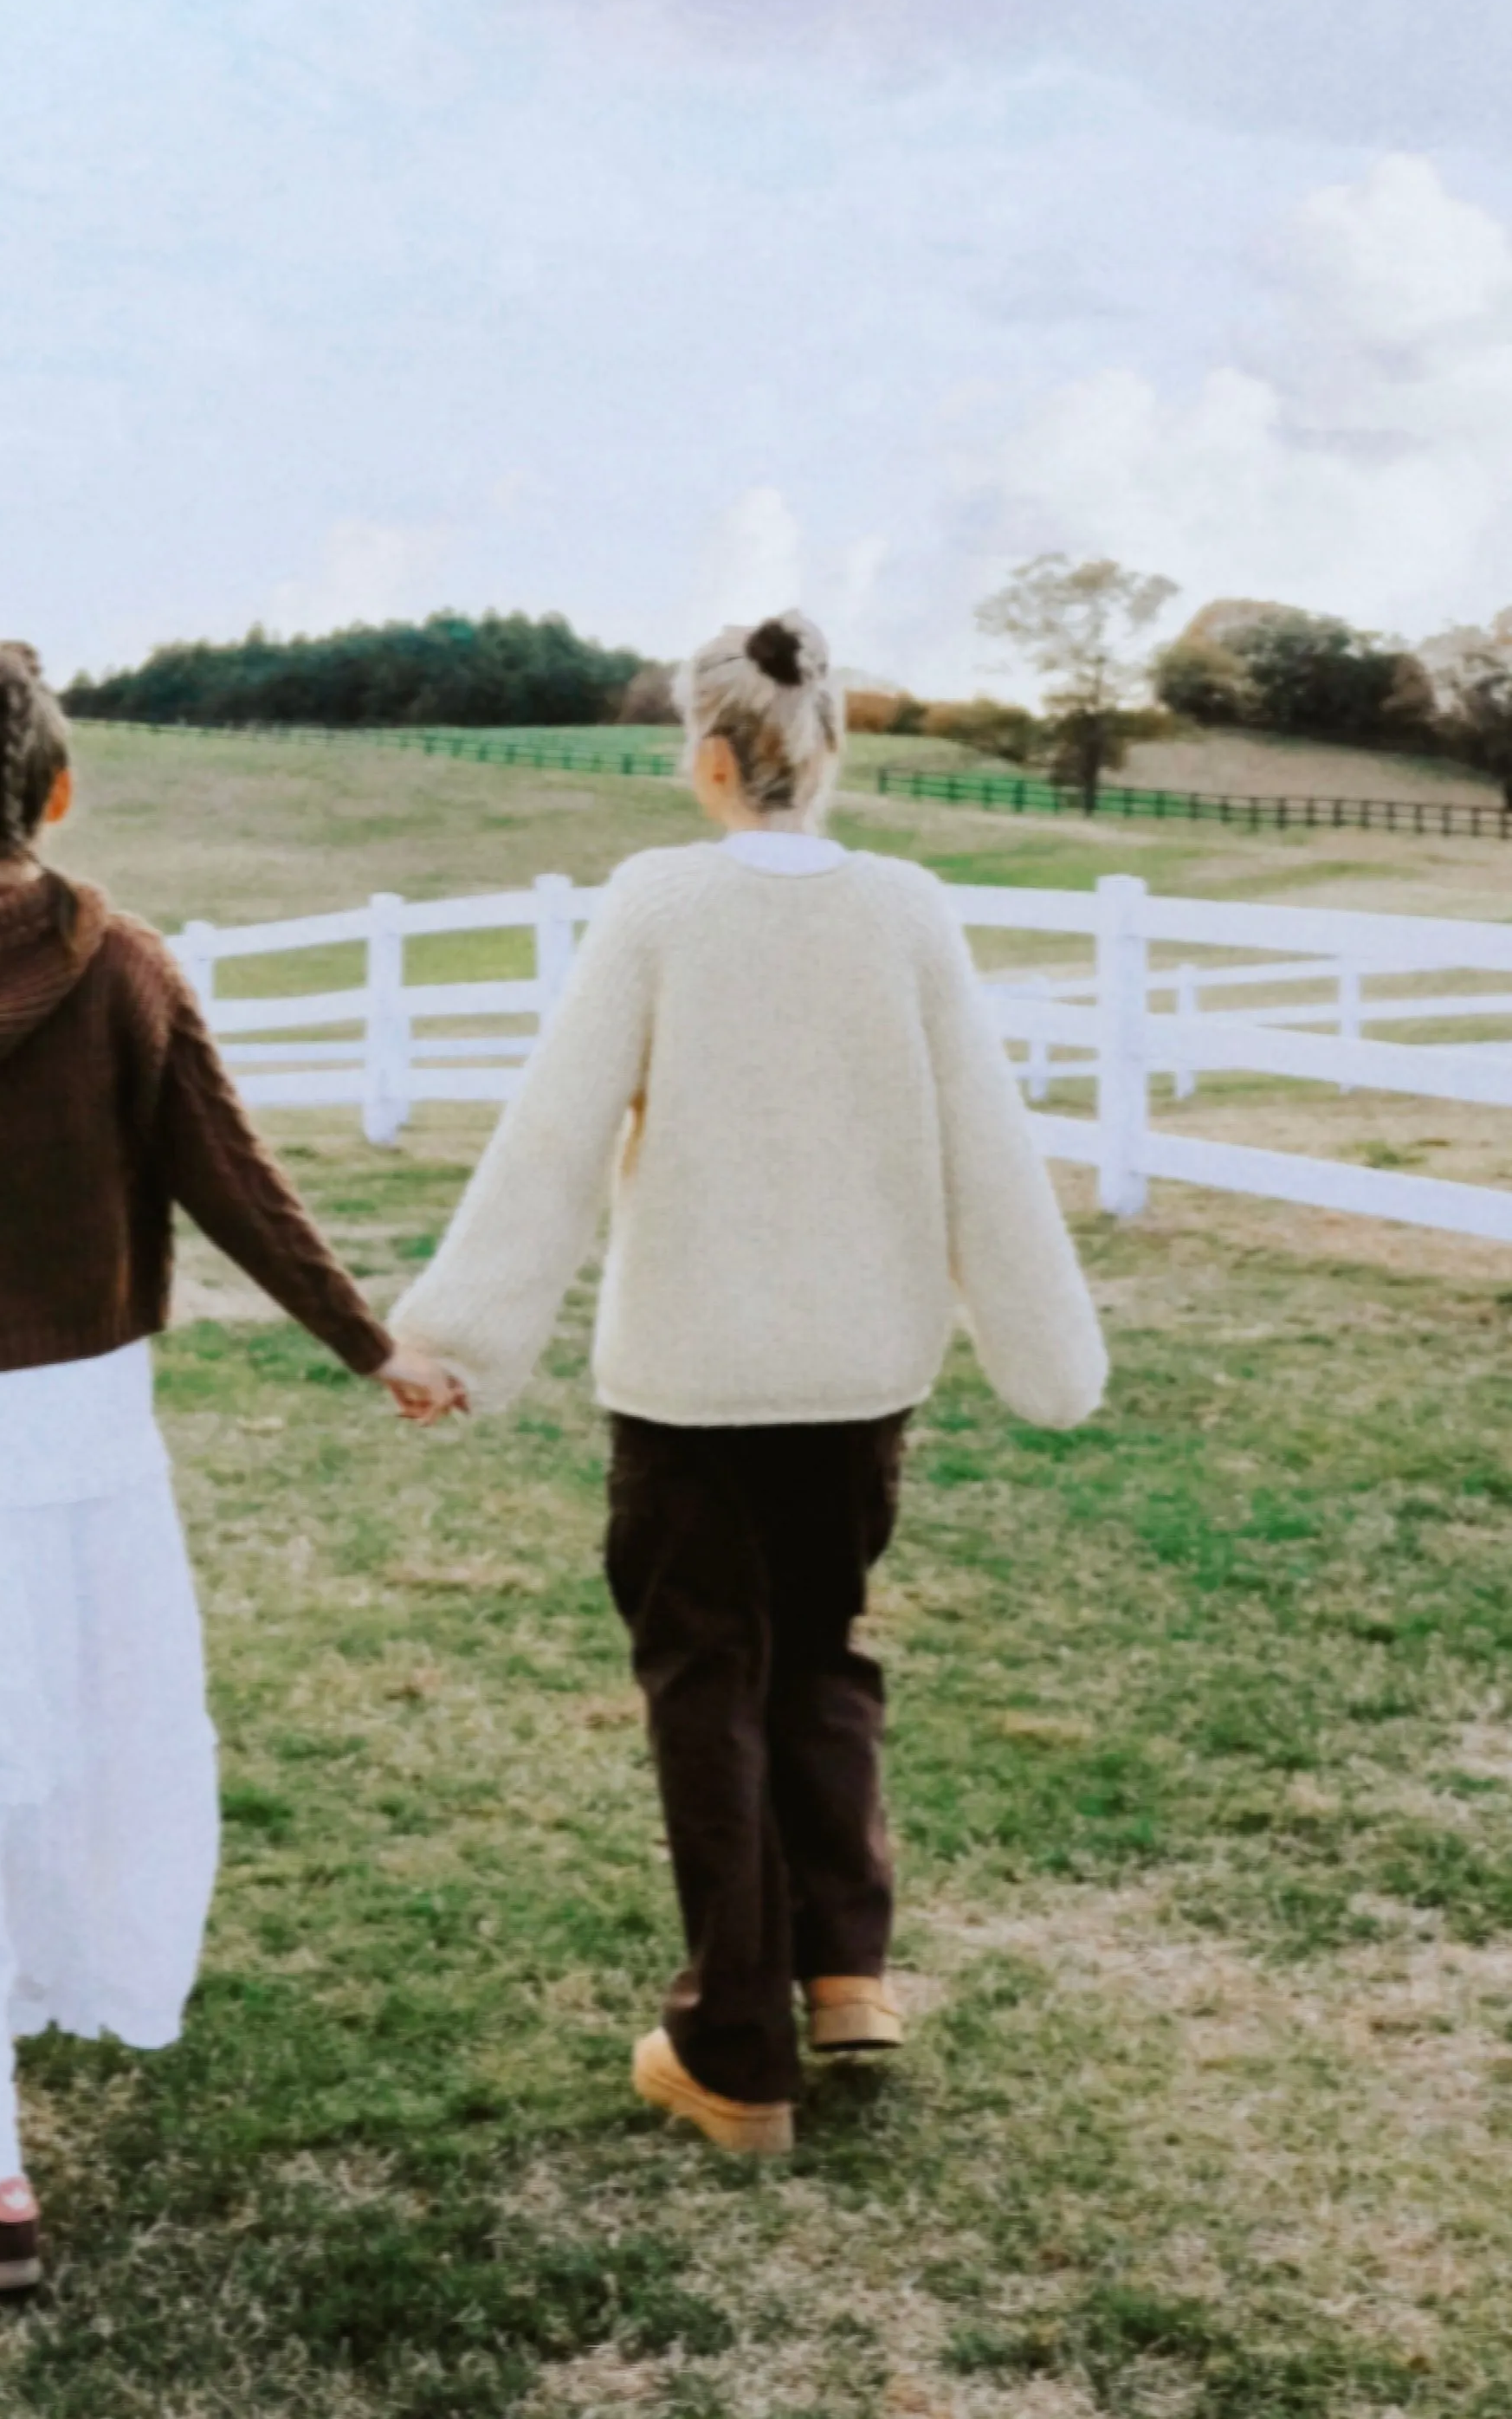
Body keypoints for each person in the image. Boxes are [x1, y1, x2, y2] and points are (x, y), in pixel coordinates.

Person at [0, 640, 452, 2289]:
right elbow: (236, 1184)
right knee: (81, 1738)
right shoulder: (127, 973)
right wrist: (374, 1346)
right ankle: (40, 2026)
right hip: (81, 1432)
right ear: (56, 793)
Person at [387, 611, 1107, 2156]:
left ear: (709, 760)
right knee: (823, 1652)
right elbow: (985, 1135)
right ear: (825, 748)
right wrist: (1048, 1349)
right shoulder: (907, 909)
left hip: (692, 1382)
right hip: (860, 1376)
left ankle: (734, 2053)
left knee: (704, 1682)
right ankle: (845, 1966)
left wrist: (454, 1334)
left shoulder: (657, 903)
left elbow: (556, 1134)